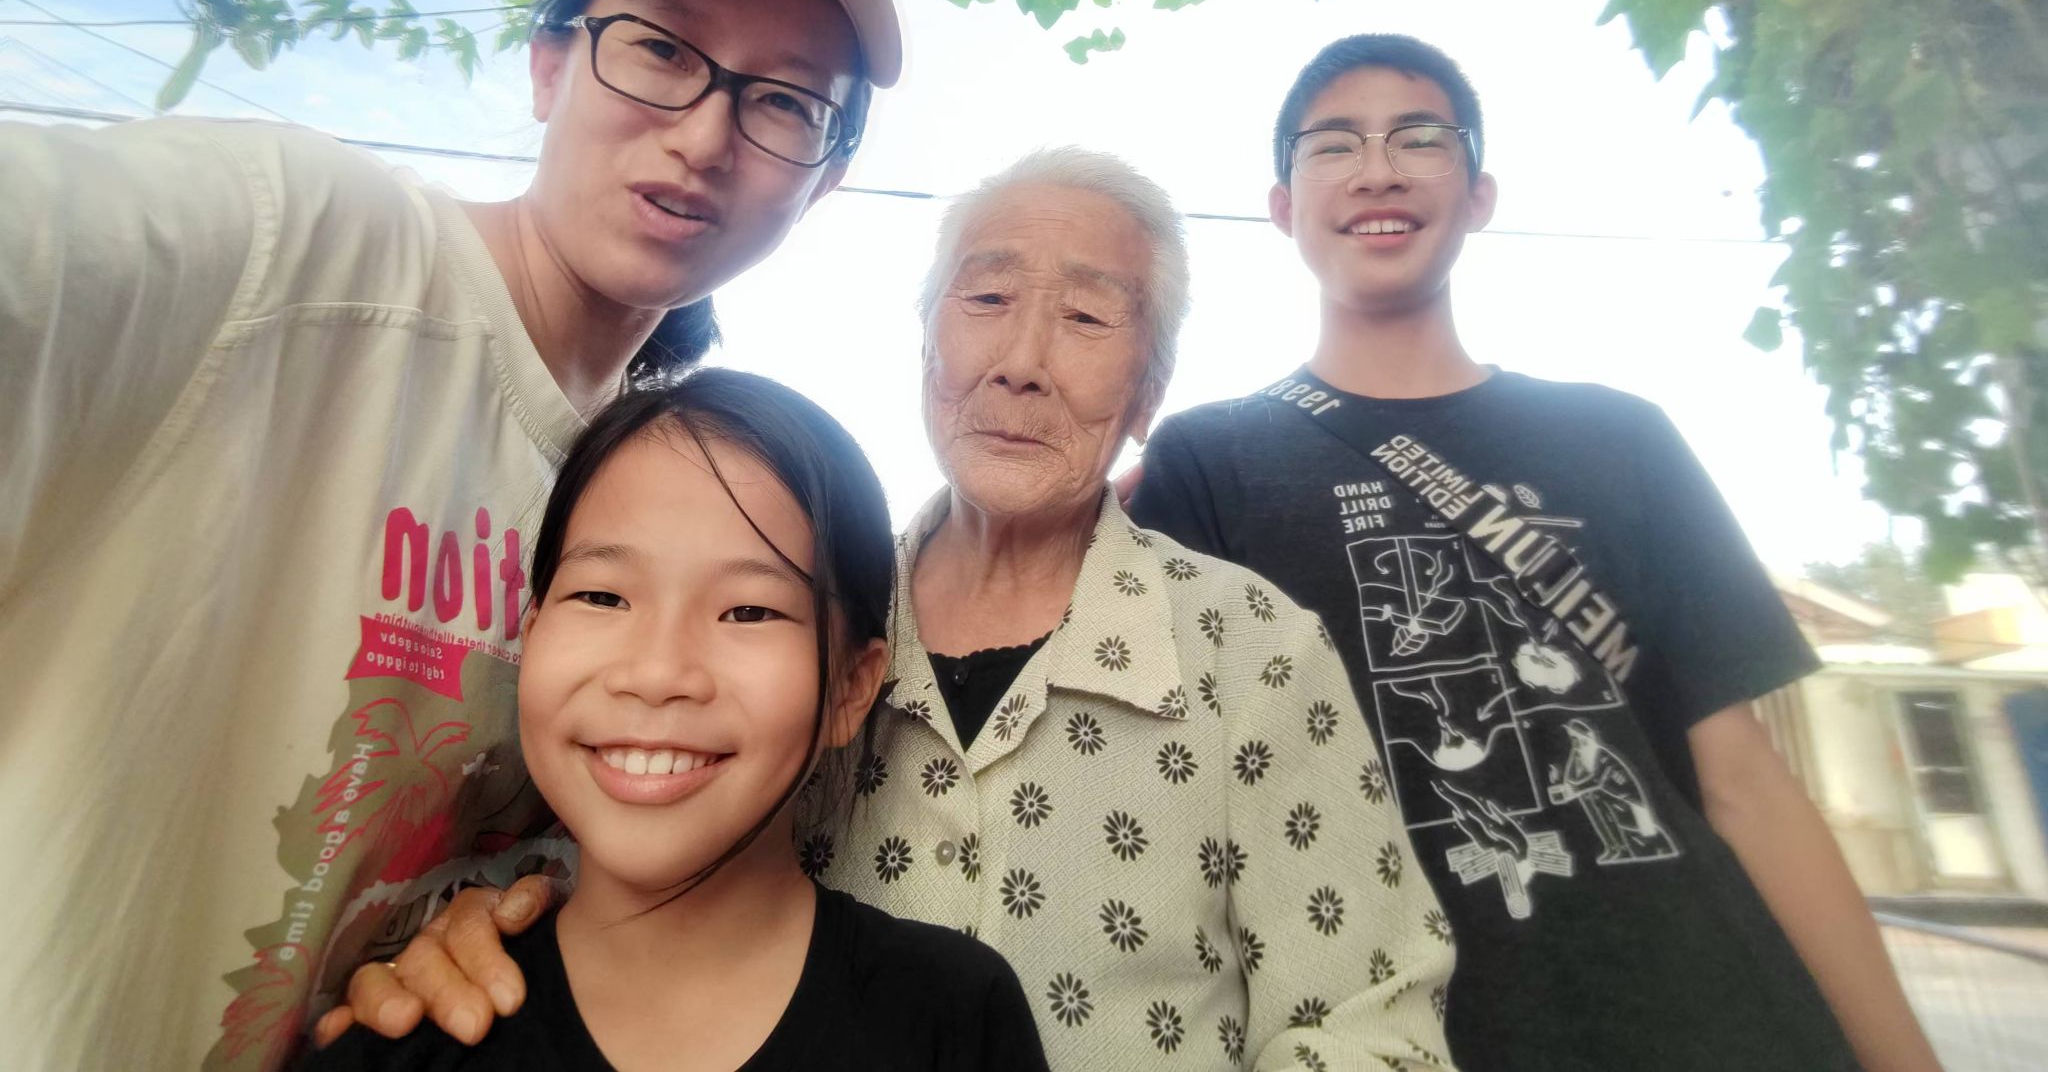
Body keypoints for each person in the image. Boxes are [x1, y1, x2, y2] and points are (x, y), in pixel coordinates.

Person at [0, 0, 902, 1072]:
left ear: (823, 181)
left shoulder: (632, 498)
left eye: (784, 102)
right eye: (660, 49)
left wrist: (498, 911)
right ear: (548, 65)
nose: (703, 136)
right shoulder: (291, 244)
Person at [332, 149, 1458, 1071]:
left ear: (1148, 392)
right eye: (986, 298)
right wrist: (476, 924)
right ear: (926, 343)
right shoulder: (789, 621)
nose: (1020, 361)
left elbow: (1367, 1024)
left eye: (1084, 316)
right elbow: (608, 827)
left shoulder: (1249, 645)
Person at [1125, 35, 1942, 1072]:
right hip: (1402, 1038)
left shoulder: (1621, 436)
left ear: (1478, 194)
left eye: (1420, 138)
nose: (1377, 170)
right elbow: (1181, 805)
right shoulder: (1209, 459)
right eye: (1333, 145)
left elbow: (1746, 782)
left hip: (1721, 1017)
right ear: (1283, 206)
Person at [304, 369, 1047, 1072]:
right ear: (531, 637)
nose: (657, 673)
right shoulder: (396, 1046)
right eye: (602, 596)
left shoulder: (953, 1017)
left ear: (851, 688)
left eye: (748, 610)